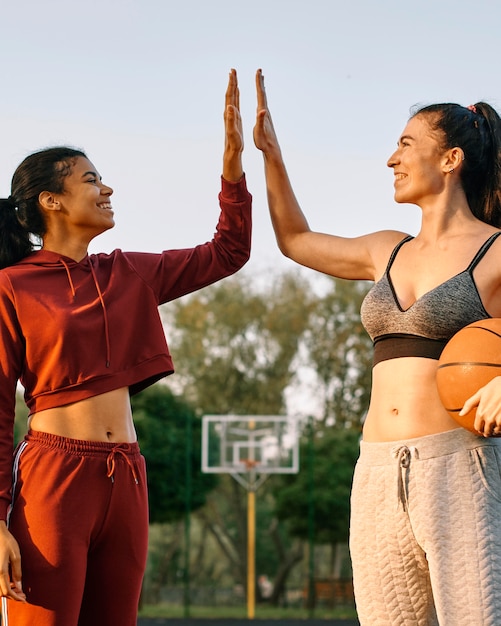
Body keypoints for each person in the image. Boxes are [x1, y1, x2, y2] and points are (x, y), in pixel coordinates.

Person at [0, 68, 251, 626]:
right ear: (51, 201)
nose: (106, 188)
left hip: (128, 478)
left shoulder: (130, 273)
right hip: (51, 481)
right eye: (91, 180)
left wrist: (232, 170)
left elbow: (229, 251)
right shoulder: (13, 285)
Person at [253, 68, 501, 625]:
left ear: (451, 159)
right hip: (375, 473)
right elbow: (295, 240)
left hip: (460, 468)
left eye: (406, 144)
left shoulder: (495, 252)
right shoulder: (386, 250)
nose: (392, 158)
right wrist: (271, 154)